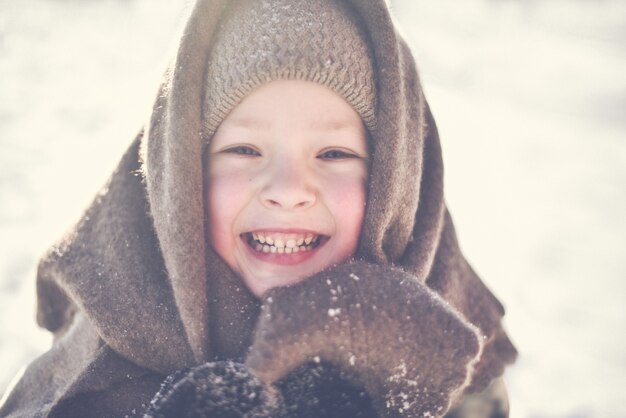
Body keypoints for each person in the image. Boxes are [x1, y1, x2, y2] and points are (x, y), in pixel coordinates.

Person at [0, 0, 517, 417]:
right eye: (243, 150)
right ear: (178, 175)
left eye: (334, 153)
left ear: (397, 181)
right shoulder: (91, 382)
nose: (288, 189)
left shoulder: (455, 361)